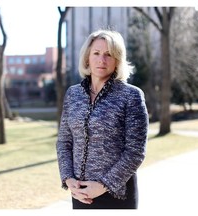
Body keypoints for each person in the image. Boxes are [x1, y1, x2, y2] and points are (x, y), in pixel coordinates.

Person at [56, 29, 149, 209]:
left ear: (117, 60)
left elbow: (135, 151)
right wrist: (68, 179)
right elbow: (64, 142)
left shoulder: (131, 96)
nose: (102, 60)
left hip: (117, 195)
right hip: (80, 193)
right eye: (96, 53)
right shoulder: (73, 94)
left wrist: (103, 186)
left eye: (109, 55)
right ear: (87, 58)